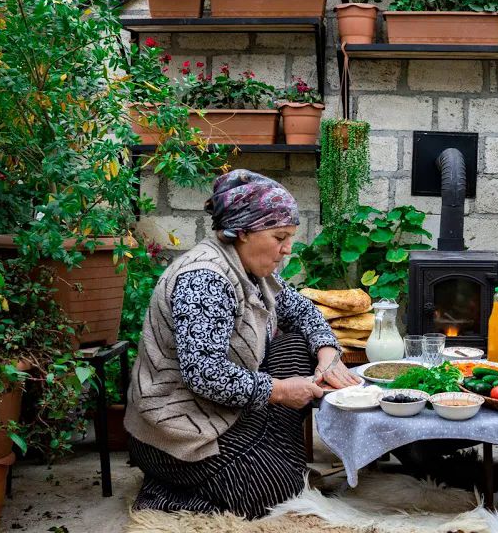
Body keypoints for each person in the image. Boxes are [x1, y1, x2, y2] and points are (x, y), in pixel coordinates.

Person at [126, 170, 361, 518]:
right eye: (280, 236)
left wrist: (328, 353)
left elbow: (303, 311)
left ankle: (268, 462)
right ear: (243, 232)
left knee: (296, 347)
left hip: (221, 413)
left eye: (290, 237)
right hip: (176, 431)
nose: (287, 249)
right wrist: (280, 391)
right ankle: (164, 491)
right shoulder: (204, 279)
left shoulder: (253, 271)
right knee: (274, 495)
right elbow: (206, 375)